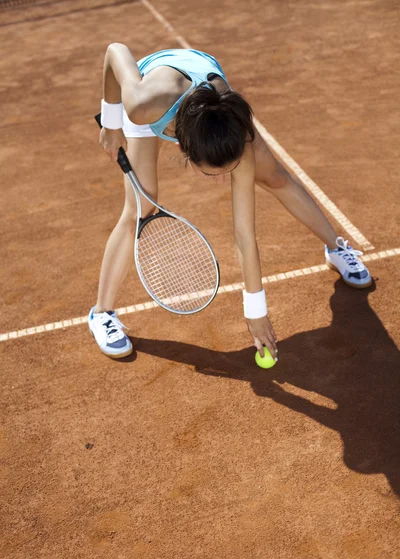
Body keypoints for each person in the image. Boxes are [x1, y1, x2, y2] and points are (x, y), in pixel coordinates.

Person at [88, 44, 371, 359]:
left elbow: (244, 235)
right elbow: (115, 52)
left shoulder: (238, 134)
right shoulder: (142, 104)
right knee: (142, 208)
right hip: (156, 92)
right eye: (212, 175)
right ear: (185, 151)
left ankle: (337, 248)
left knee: (274, 176)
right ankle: (101, 313)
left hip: (208, 99)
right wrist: (112, 122)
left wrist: (256, 311)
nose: (224, 179)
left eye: (230, 169)